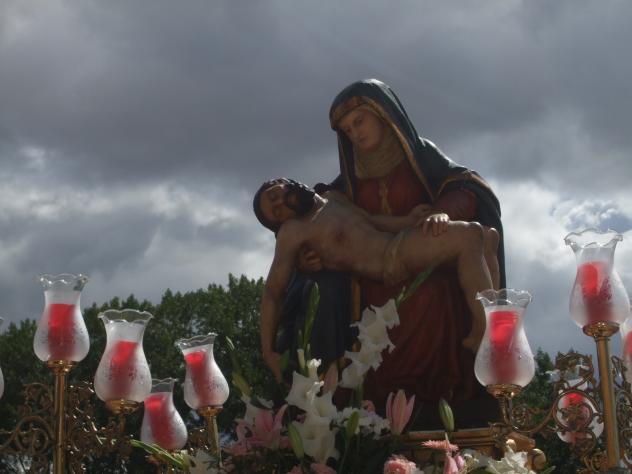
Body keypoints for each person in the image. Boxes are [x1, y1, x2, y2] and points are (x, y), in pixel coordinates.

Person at [324, 79, 506, 426]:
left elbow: (467, 188)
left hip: (427, 261)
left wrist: (443, 211)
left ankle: (469, 366)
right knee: (427, 293)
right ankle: (393, 399)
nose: (355, 134)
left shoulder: (421, 156)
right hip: (375, 275)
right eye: (347, 130)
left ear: (383, 114)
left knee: (482, 240)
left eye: (359, 121)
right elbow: (320, 226)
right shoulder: (344, 186)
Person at [253, 178, 496, 383]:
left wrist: (408, 220)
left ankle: (495, 336)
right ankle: (484, 330)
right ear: (280, 223)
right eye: (277, 211)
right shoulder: (294, 231)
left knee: (487, 237)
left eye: (274, 195)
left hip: (400, 241)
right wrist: (267, 351)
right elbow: (273, 292)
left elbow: (371, 220)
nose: (280, 202)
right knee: (468, 235)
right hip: (388, 263)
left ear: (282, 182)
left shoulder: (331, 198)